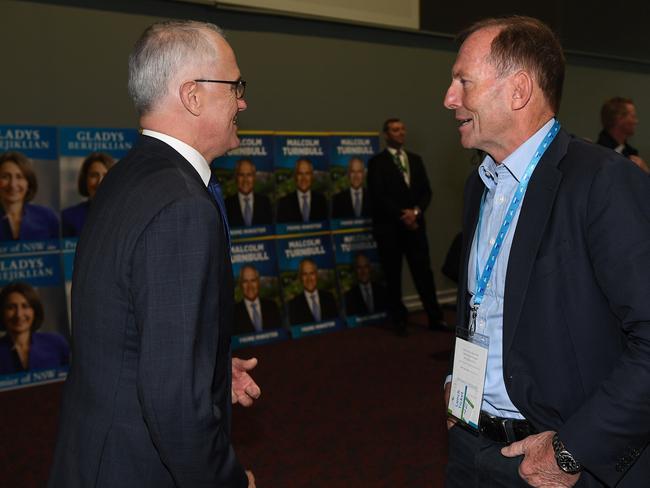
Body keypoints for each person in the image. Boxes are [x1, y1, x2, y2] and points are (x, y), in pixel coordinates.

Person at [48, 20, 260, 488]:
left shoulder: (130, 175)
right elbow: (171, 403)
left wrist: (204, 364)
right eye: (235, 85)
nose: (243, 101)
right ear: (194, 96)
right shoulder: (183, 205)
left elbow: (127, 323)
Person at [443, 16, 650, 488]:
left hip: (556, 464)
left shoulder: (604, 183)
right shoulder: (481, 184)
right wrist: (456, 390)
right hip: (470, 441)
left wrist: (572, 450)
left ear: (517, 91)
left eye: (462, 82)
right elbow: (485, 308)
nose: (449, 98)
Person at [367, 118, 445, 335]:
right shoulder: (377, 163)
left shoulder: (415, 160)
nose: (400, 133)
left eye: (402, 129)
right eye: (395, 130)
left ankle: (435, 318)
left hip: (416, 228)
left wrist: (416, 213)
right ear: (386, 134)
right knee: (393, 276)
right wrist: (403, 215)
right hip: (390, 230)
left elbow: (426, 191)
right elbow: (378, 195)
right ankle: (398, 320)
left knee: (424, 274)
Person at [0, 282, 69, 374]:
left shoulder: (56, 343)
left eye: (25, 306)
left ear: (34, 310)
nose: (19, 314)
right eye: (11, 307)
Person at [0, 151, 59, 241]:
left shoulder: (47, 216)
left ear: (28, 183)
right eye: (5, 177)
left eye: (19, 177)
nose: (13, 184)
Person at [61, 152, 114, 237]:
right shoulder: (68, 217)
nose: (100, 182)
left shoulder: (126, 216)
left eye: (106, 175)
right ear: (84, 180)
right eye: (94, 175)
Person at [597, 97, 649, 173]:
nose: (636, 121)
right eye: (633, 116)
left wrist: (645, 172)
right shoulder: (599, 154)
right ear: (619, 119)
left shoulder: (631, 153)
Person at [288, 258, 338, 325]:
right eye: (305, 274)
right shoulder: (293, 305)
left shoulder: (329, 298)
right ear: (300, 277)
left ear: (316, 275)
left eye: (312, 273)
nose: (309, 278)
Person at [233, 265, 282, 334]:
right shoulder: (233, 313)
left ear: (258, 282)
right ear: (240, 284)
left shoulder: (272, 306)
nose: (249, 286)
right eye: (245, 281)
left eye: (253, 280)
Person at [276, 158, 328, 223]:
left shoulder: (321, 201)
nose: (304, 178)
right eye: (300, 174)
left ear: (312, 176)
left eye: (307, 173)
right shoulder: (284, 203)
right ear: (295, 176)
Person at [224, 158, 273, 226]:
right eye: (241, 175)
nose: (245, 180)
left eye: (249, 175)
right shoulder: (226, 204)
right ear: (236, 177)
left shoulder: (265, 202)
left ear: (254, 177)